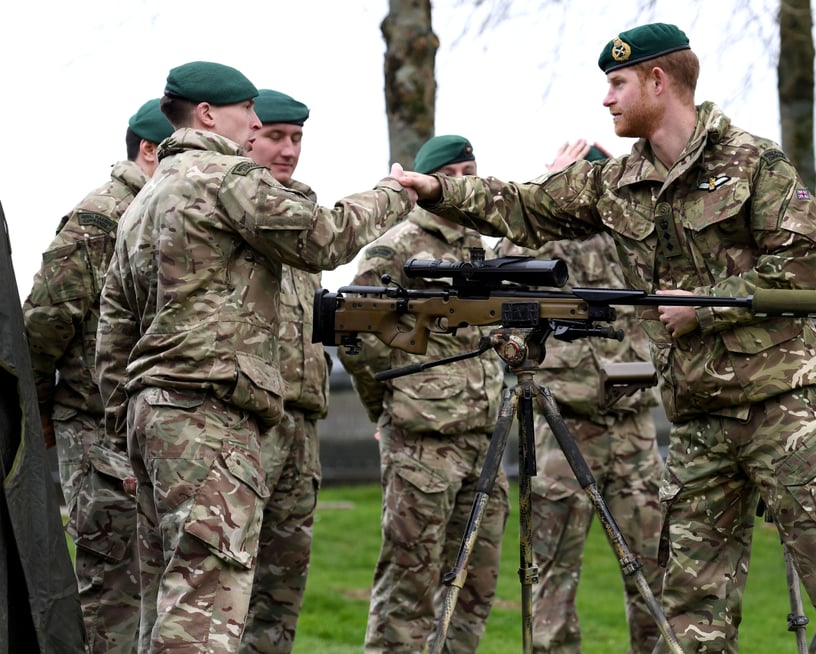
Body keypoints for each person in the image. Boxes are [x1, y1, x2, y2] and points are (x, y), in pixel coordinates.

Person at [396, 23, 816, 653]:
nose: (606, 100)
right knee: (692, 613)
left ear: (658, 81)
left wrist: (706, 310)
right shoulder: (616, 183)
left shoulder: (754, 161)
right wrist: (438, 191)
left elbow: (798, 264)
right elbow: (526, 206)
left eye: (617, 84)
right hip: (696, 421)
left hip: (782, 413)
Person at [94, 61, 415, 653]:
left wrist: (124, 417)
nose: (256, 125)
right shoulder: (223, 176)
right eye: (249, 113)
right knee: (207, 609)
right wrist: (395, 192)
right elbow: (324, 235)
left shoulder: (145, 198)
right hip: (210, 417)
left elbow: (115, 326)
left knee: (165, 601)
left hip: (155, 416)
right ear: (210, 115)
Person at [339, 134, 508, 654]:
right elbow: (354, 332)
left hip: (484, 440)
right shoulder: (397, 247)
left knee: (475, 585)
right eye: (453, 173)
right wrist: (386, 406)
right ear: (431, 180)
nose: (463, 182)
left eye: (470, 172)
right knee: (410, 584)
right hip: (421, 442)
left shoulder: (481, 246)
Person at [494, 141, 664, 653]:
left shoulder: (637, 233)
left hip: (633, 429)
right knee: (551, 576)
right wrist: (546, 192)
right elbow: (501, 271)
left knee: (656, 571)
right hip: (561, 427)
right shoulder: (541, 238)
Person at [22, 97, 173, 654]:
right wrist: (37, 414)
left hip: (147, 423)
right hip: (95, 426)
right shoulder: (98, 221)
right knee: (113, 590)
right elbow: (41, 326)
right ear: (149, 150)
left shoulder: (166, 210)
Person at [238, 89, 327, 653]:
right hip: (246, 421)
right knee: (225, 577)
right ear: (248, 134)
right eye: (275, 136)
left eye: (296, 139)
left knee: (282, 587)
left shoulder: (302, 215)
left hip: (302, 426)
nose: (289, 150)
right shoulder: (227, 206)